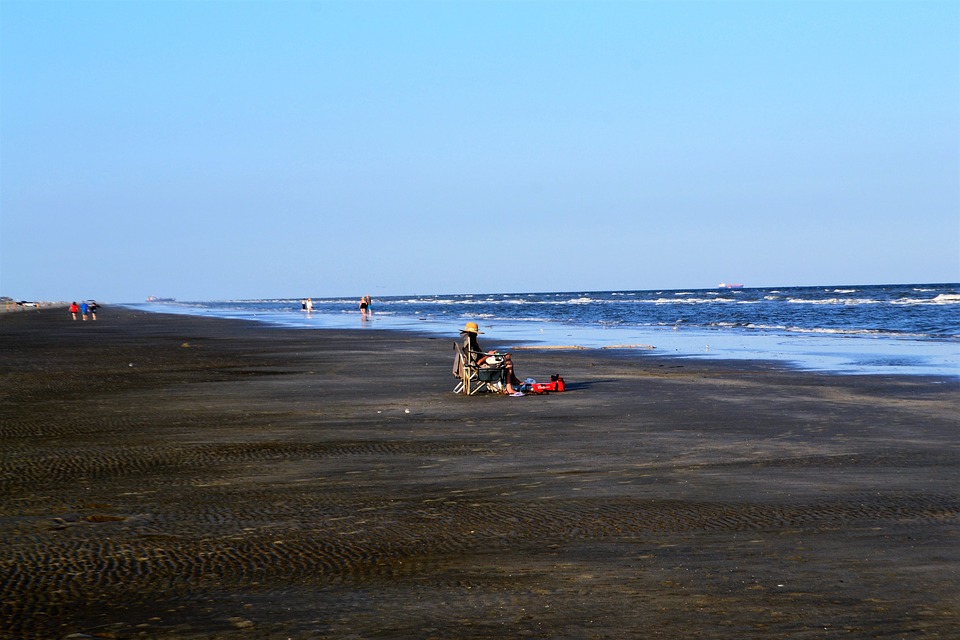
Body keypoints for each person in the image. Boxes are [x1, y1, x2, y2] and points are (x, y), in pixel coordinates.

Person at [459, 321, 524, 395]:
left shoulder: (469, 344)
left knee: (506, 358)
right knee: (508, 364)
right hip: (480, 367)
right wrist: (488, 355)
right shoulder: (470, 347)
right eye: (475, 334)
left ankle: (513, 381)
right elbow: (478, 362)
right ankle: (509, 388)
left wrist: (490, 354)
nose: (476, 335)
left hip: (479, 364)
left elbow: (478, 357)